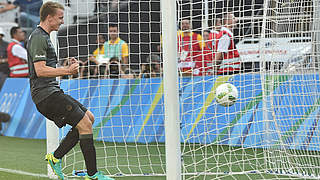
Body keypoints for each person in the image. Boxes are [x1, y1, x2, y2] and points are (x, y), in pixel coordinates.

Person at [26, 2, 114, 180]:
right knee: (85, 124)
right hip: (46, 95)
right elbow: (40, 71)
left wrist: (67, 65)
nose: (62, 21)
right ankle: (93, 174)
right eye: (60, 17)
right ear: (49, 17)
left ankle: (55, 157)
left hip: (51, 91)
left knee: (89, 118)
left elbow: (46, 67)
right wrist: (67, 71)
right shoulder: (38, 37)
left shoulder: (44, 37)